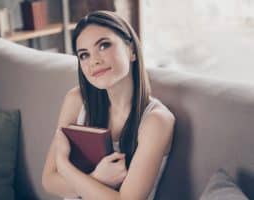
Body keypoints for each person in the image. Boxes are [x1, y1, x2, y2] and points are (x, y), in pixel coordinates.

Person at [42, 10, 175, 200]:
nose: (94, 61)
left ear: (131, 51)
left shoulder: (156, 121)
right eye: (84, 55)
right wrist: (96, 178)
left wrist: (64, 165)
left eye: (104, 46)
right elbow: (48, 180)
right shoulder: (76, 100)